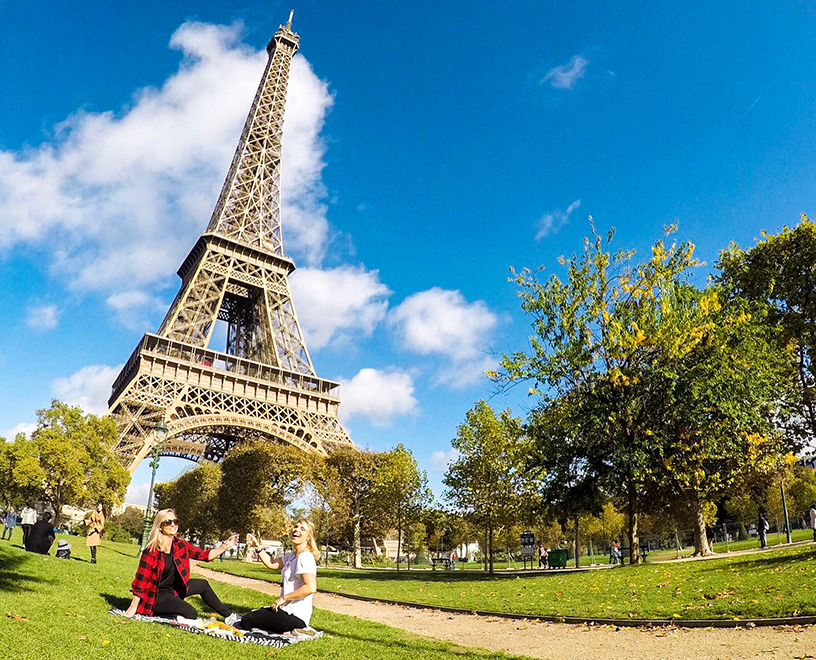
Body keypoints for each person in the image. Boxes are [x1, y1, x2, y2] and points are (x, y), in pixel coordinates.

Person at [123, 508, 239, 623]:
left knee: (202, 584)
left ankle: (229, 616)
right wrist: (133, 607)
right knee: (191, 613)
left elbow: (204, 555)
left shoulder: (180, 545)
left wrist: (225, 545)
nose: (173, 525)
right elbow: (141, 580)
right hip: (155, 596)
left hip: (173, 589)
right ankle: (164, 615)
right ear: (160, 526)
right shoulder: (152, 550)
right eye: (168, 522)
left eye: (175, 521)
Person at [241, 520, 319, 633]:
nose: (296, 529)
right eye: (296, 526)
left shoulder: (305, 557)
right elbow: (271, 563)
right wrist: (257, 547)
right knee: (251, 616)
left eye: (302, 529)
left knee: (247, 621)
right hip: (286, 610)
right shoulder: (292, 556)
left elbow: (310, 587)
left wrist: (283, 598)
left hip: (296, 616)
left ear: (308, 537)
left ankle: (293, 630)